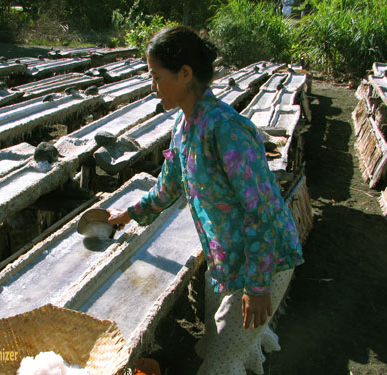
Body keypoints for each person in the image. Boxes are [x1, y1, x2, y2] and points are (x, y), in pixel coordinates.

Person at [107, 26, 304, 375]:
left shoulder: (226, 129)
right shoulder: (184, 129)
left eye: (156, 76)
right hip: (227, 258)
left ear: (185, 74)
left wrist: (258, 286)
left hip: (262, 261)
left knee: (219, 364)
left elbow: (263, 212)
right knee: (218, 343)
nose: (152, 87)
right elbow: (165, 191)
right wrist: (126, 215)